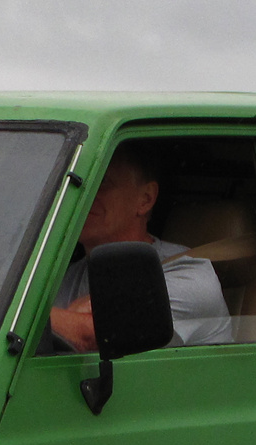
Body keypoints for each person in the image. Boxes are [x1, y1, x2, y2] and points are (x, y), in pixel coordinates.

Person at [47, 147, 231, 352]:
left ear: (145, 199)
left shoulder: (189, 277)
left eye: (101, 182)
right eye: (76, 185)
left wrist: (17, 312)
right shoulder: (68, 275)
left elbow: (93, 337)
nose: (81, 197)